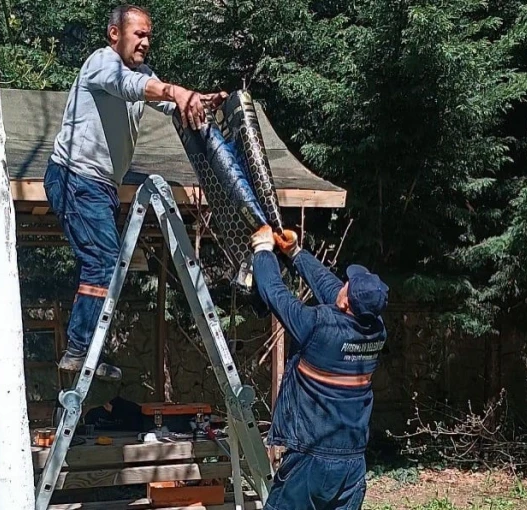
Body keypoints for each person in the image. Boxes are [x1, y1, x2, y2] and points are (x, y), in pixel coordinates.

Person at [44, 4, 228, 380]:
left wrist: (196, 101)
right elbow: (132, 89)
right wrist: (176, 91)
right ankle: (80, 350)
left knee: (103, 265)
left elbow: (161, 100)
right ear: (115, 34)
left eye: (148, 36)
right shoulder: (101, 63)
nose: (145, 42)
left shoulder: (142, 73)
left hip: (100, 185)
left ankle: (87, 350)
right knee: (105, 261)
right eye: (138, 34)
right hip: (75, 177)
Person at [250, 226, 389, 510]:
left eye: (347, 285)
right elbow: (330, 288)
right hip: (352, 464)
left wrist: (263, 251)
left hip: (310, 460)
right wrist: (295, 253)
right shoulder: (376, 330)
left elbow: (274, 293)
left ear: (347, 302)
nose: (343, 284)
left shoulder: (317, 327)